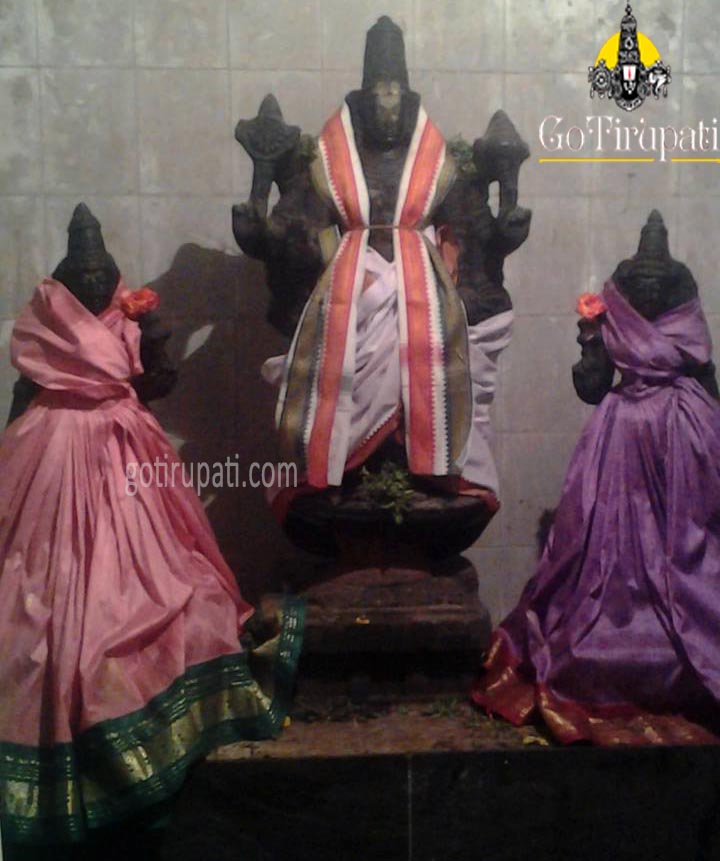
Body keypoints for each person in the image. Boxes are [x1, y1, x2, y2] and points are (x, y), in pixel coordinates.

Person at [0, 205, 303, 849]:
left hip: (120, 456)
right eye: (83, 280)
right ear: (67, 285)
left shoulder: (111, 321)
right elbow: (27, 401)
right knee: (50, 593)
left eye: (98, 279)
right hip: (56, 465)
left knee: (158, 575)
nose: (91, 286)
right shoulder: (50, 327)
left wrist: (154, 339)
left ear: (109, 282)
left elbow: (156, 382)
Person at [472, 211, 720, 745]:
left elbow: (592, 386)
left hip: (633, 431)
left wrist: (590, 336)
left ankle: (628, 635)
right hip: (677, 431)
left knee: (638, 542)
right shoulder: (678, 299)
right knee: (657, 543)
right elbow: (706, 376)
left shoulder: (620, 299)